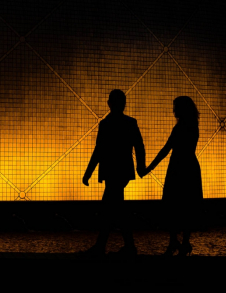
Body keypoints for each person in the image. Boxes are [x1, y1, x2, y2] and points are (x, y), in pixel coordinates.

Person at [81, 89, 146, 257]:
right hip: (123, 171)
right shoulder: (130, 123)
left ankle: (104, 246)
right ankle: (125, 246)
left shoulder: (106, 124)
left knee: (110, 208)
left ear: (109, 103)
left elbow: (99, 150)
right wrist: (140, 167)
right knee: (115, 208)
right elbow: (139, 146)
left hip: (110, 170)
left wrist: (88, 172)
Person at [145, 96, 202, 257]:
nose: (173, 110)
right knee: (187, 205)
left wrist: (149, 168)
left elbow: (166, 149)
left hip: (177, 168)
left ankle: (173, 241)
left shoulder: (180, 128)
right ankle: (185, 241)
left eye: (176, 107)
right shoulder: (193, 126)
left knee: (173, 204)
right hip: (190, 167)